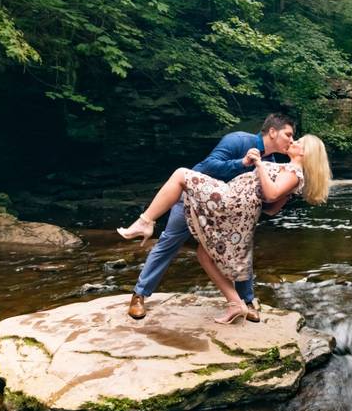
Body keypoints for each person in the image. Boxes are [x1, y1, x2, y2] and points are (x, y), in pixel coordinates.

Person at [118, 135, 331, 323]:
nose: (293, 141)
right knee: (205, 255)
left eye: (298, 141)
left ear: (306, 152)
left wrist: (258, 164)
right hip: (233, 204)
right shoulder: (248, 146)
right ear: (272, 132)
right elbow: (271, 209)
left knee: (181, 174)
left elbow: (272, 194)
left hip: (229, 201)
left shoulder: (293, 171)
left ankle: (146, 221)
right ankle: (235, 303)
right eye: (291, 136)